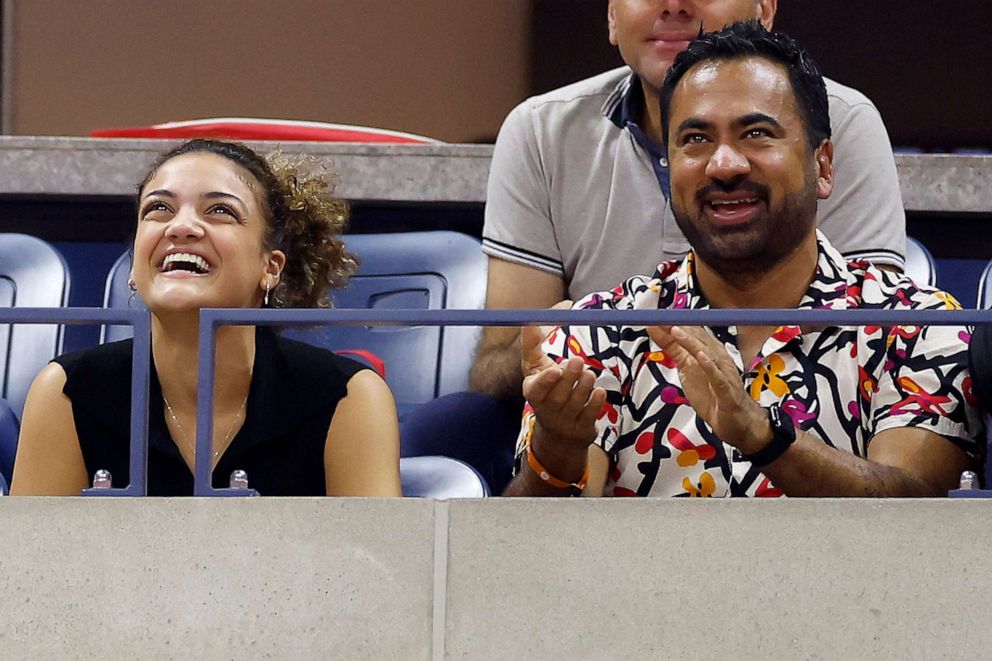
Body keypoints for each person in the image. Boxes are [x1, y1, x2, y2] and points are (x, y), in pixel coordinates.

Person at [402, 0, 907, 493]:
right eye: (695, 140)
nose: (674, 6)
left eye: (756, 133)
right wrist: (577, 352)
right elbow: (505, 360)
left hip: (818, 435)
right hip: (611, 416)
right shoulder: (542, 134)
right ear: (610, 15)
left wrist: (754, 423)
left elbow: (869, 332)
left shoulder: (843, 120)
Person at [503, 21, 981, 498]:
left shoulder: (916, 325)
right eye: (695, 140)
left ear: (824, 166)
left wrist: (761, 434)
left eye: (755, 133)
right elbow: (530, 559)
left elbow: (918, 519)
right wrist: (559, 450)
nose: (724, 165)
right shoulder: (598, 332)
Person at [12, 139, 402, 496]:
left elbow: (379, 568)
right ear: (134, 266)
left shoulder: (347, 398)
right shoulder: (67, 391)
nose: (180, 226)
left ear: (271, 267)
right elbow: (33, 566)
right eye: (158, 209)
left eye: (220, 211)